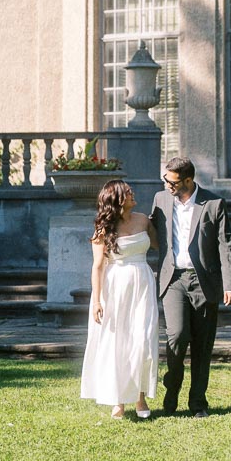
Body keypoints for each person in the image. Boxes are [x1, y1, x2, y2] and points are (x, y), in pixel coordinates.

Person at [150, 156, 231, 418]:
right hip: (173, 279)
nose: (167, 185)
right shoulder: (161, 200)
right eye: (165, 179)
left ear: (188, 180)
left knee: (202, 345)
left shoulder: (214, 203)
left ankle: (198, 402)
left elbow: (227, 246)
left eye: (173, 182)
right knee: (177, 336)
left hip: (204, 282)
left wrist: (230, 284)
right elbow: (149, 231)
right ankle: (171, 391)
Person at [80, 178, 159, 420]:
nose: (133, 194)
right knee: (117, 342)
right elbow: (97, 267)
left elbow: (160, 246)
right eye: (128, 192)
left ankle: (140, 396)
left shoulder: (144, 220)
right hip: (114, 286)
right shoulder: (103, 229)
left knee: (143, 340)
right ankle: (117, 400)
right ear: (117, 200)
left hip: (143, 282)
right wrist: (97, 301)